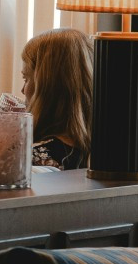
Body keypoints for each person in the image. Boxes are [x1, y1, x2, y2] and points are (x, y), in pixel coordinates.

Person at [19, 27, 92, 170]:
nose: (22, 90)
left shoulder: (30, 158)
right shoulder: (116, 152)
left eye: (26, 79)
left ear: (46, 88)